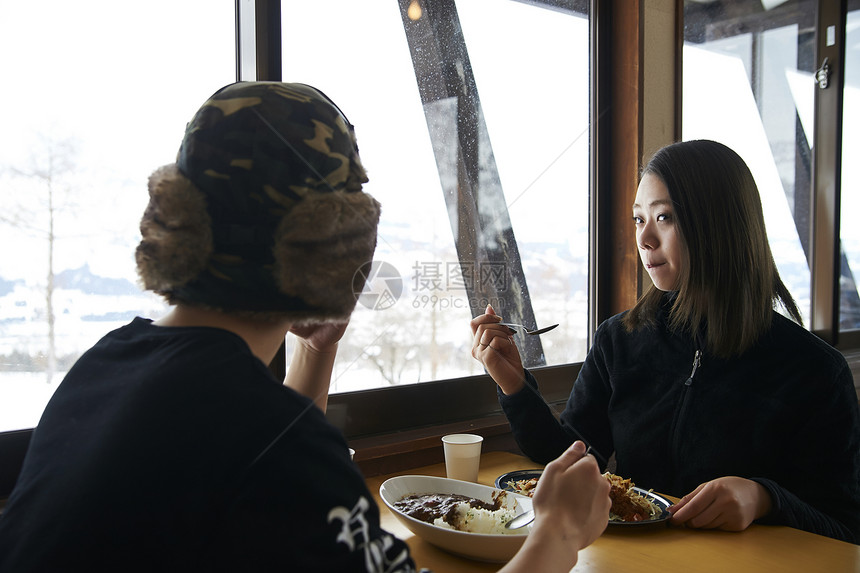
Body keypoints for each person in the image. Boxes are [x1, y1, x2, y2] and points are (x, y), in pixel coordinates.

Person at [0, 81, 610, 573]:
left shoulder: (106, 365)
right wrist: (555, 534)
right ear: (340, 240)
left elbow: (261, 468)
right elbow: (274, 457)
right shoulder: (276, 444)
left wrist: (314, 354)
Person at [470, 139, 860, 544]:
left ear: (719, 224)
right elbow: (572, 458)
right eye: (639, 219)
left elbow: (845, 531)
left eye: (665, 217)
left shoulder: (815, 372)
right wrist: (514, 385)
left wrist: (764, 498)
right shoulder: (619, 339)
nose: (645, 239)